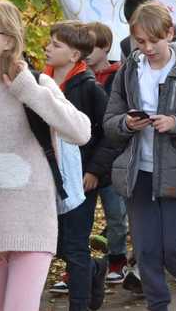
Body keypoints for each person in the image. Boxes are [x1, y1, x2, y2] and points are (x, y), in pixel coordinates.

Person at [0, 0, 91, 310]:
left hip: (32, 223)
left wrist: (29, 91)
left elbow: (80, 131)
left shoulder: (36, 82)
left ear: (8, 40)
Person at [103, 1, 176, 311]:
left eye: (154, 40)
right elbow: (110, 121)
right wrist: (126, 123)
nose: (148, 48)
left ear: (170, 33)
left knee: (174, 248)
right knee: (146, 249)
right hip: (138, 171)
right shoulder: (128, 70)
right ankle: (158, 305)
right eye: (140, 41)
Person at [44, 21, 112, 310]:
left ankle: (80, 304)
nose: (47, 47)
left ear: (74, 55)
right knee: (54, 244)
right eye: (49, 41)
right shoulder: (40, 84)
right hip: (48, 179)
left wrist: (94, 170)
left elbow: (109, 135)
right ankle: (95, 270)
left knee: (74, 246)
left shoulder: (90, 90)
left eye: (55, 44)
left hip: (81, 179)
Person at [82, 21, 129, 285]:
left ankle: (117, 259)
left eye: (93, 46)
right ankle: (82, 264)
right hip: (86, 158)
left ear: (106, 47)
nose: (87, 51)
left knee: (115, 215)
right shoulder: (77, 77)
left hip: (111, 161)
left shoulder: (117, 76)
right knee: (81, 219)